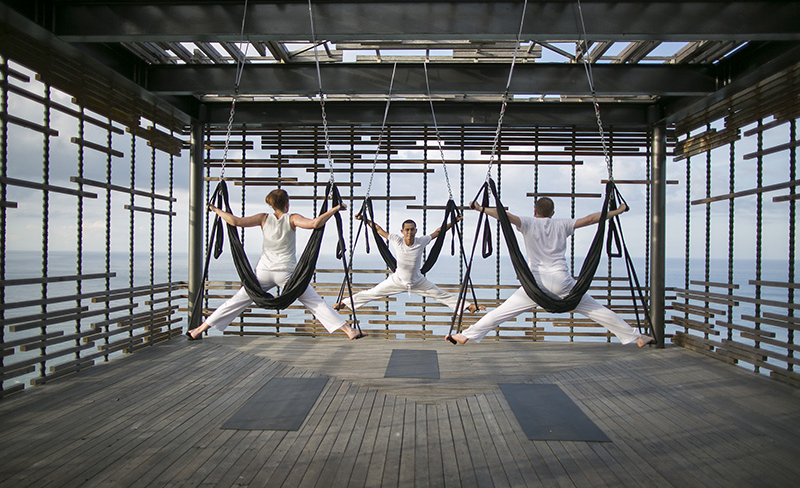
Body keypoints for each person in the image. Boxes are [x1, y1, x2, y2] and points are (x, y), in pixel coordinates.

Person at [447, 196, 654, 347]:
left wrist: (481, 208)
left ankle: (467, 335)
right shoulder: (562, 224)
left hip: (536, 284)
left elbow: (505, 216)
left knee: (502, 312)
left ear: (535, 211)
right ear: (552, 213)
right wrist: (617, 211)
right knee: (598, 311)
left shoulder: (528, 222)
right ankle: (636, 336)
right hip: (562, 280)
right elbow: (592, 219)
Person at [187, 189, 364, 340]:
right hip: (286, 274)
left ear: (272, 205)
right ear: (287, 204)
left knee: (235, 302)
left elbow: (235, 221)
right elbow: (315, 224)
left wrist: (215, 209)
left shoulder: (263, 218)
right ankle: (349, 331)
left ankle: (198, 330)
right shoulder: (292, 218)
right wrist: (336, 208)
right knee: (315, 303)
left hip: (263, 272)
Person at [334, 216, 484, 315]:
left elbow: (439, 231)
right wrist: (365, 219)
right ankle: (344, 304)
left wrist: (454, 221)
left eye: (412, 229)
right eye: (407, 230)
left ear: (415, 231)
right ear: (402, 231)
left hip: (418, 281)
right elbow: (379, 230)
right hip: (397, 280)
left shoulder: (421, 241)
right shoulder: (396, 240)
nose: (409, 232)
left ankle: (468, 306)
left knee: (441, 295)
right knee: (371, 293)